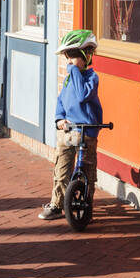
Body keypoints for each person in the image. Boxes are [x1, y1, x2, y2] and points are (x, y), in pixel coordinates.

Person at [38, 30, 103, 220]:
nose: (69, 62)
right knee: (61, 168)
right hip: (68, 130)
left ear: (86, 56)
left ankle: (87, 205)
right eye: (67, 57)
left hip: (87, 132)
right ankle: (57, 204)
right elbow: (62, 101)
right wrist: (59, 119)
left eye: (73, 57)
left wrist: (75, 70)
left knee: (88, 171)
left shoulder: (92, 78)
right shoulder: (68, 79)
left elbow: (83, 94)